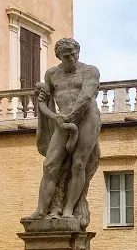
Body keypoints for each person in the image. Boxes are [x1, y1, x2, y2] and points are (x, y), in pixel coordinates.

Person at [28, 38, 101, 227]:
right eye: (66, 56)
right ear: (59, 56)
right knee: (50, 165)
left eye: (73, 54)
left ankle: (69, 209)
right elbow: (46, 99)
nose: (71, 58)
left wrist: (71, 117)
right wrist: (42, 98)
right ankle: (41, 210)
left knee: (78, 164)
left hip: (87, 117)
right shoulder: (52, 74)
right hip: (63, 120)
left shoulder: (90, 71)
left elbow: (86, 95)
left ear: (78, 52)